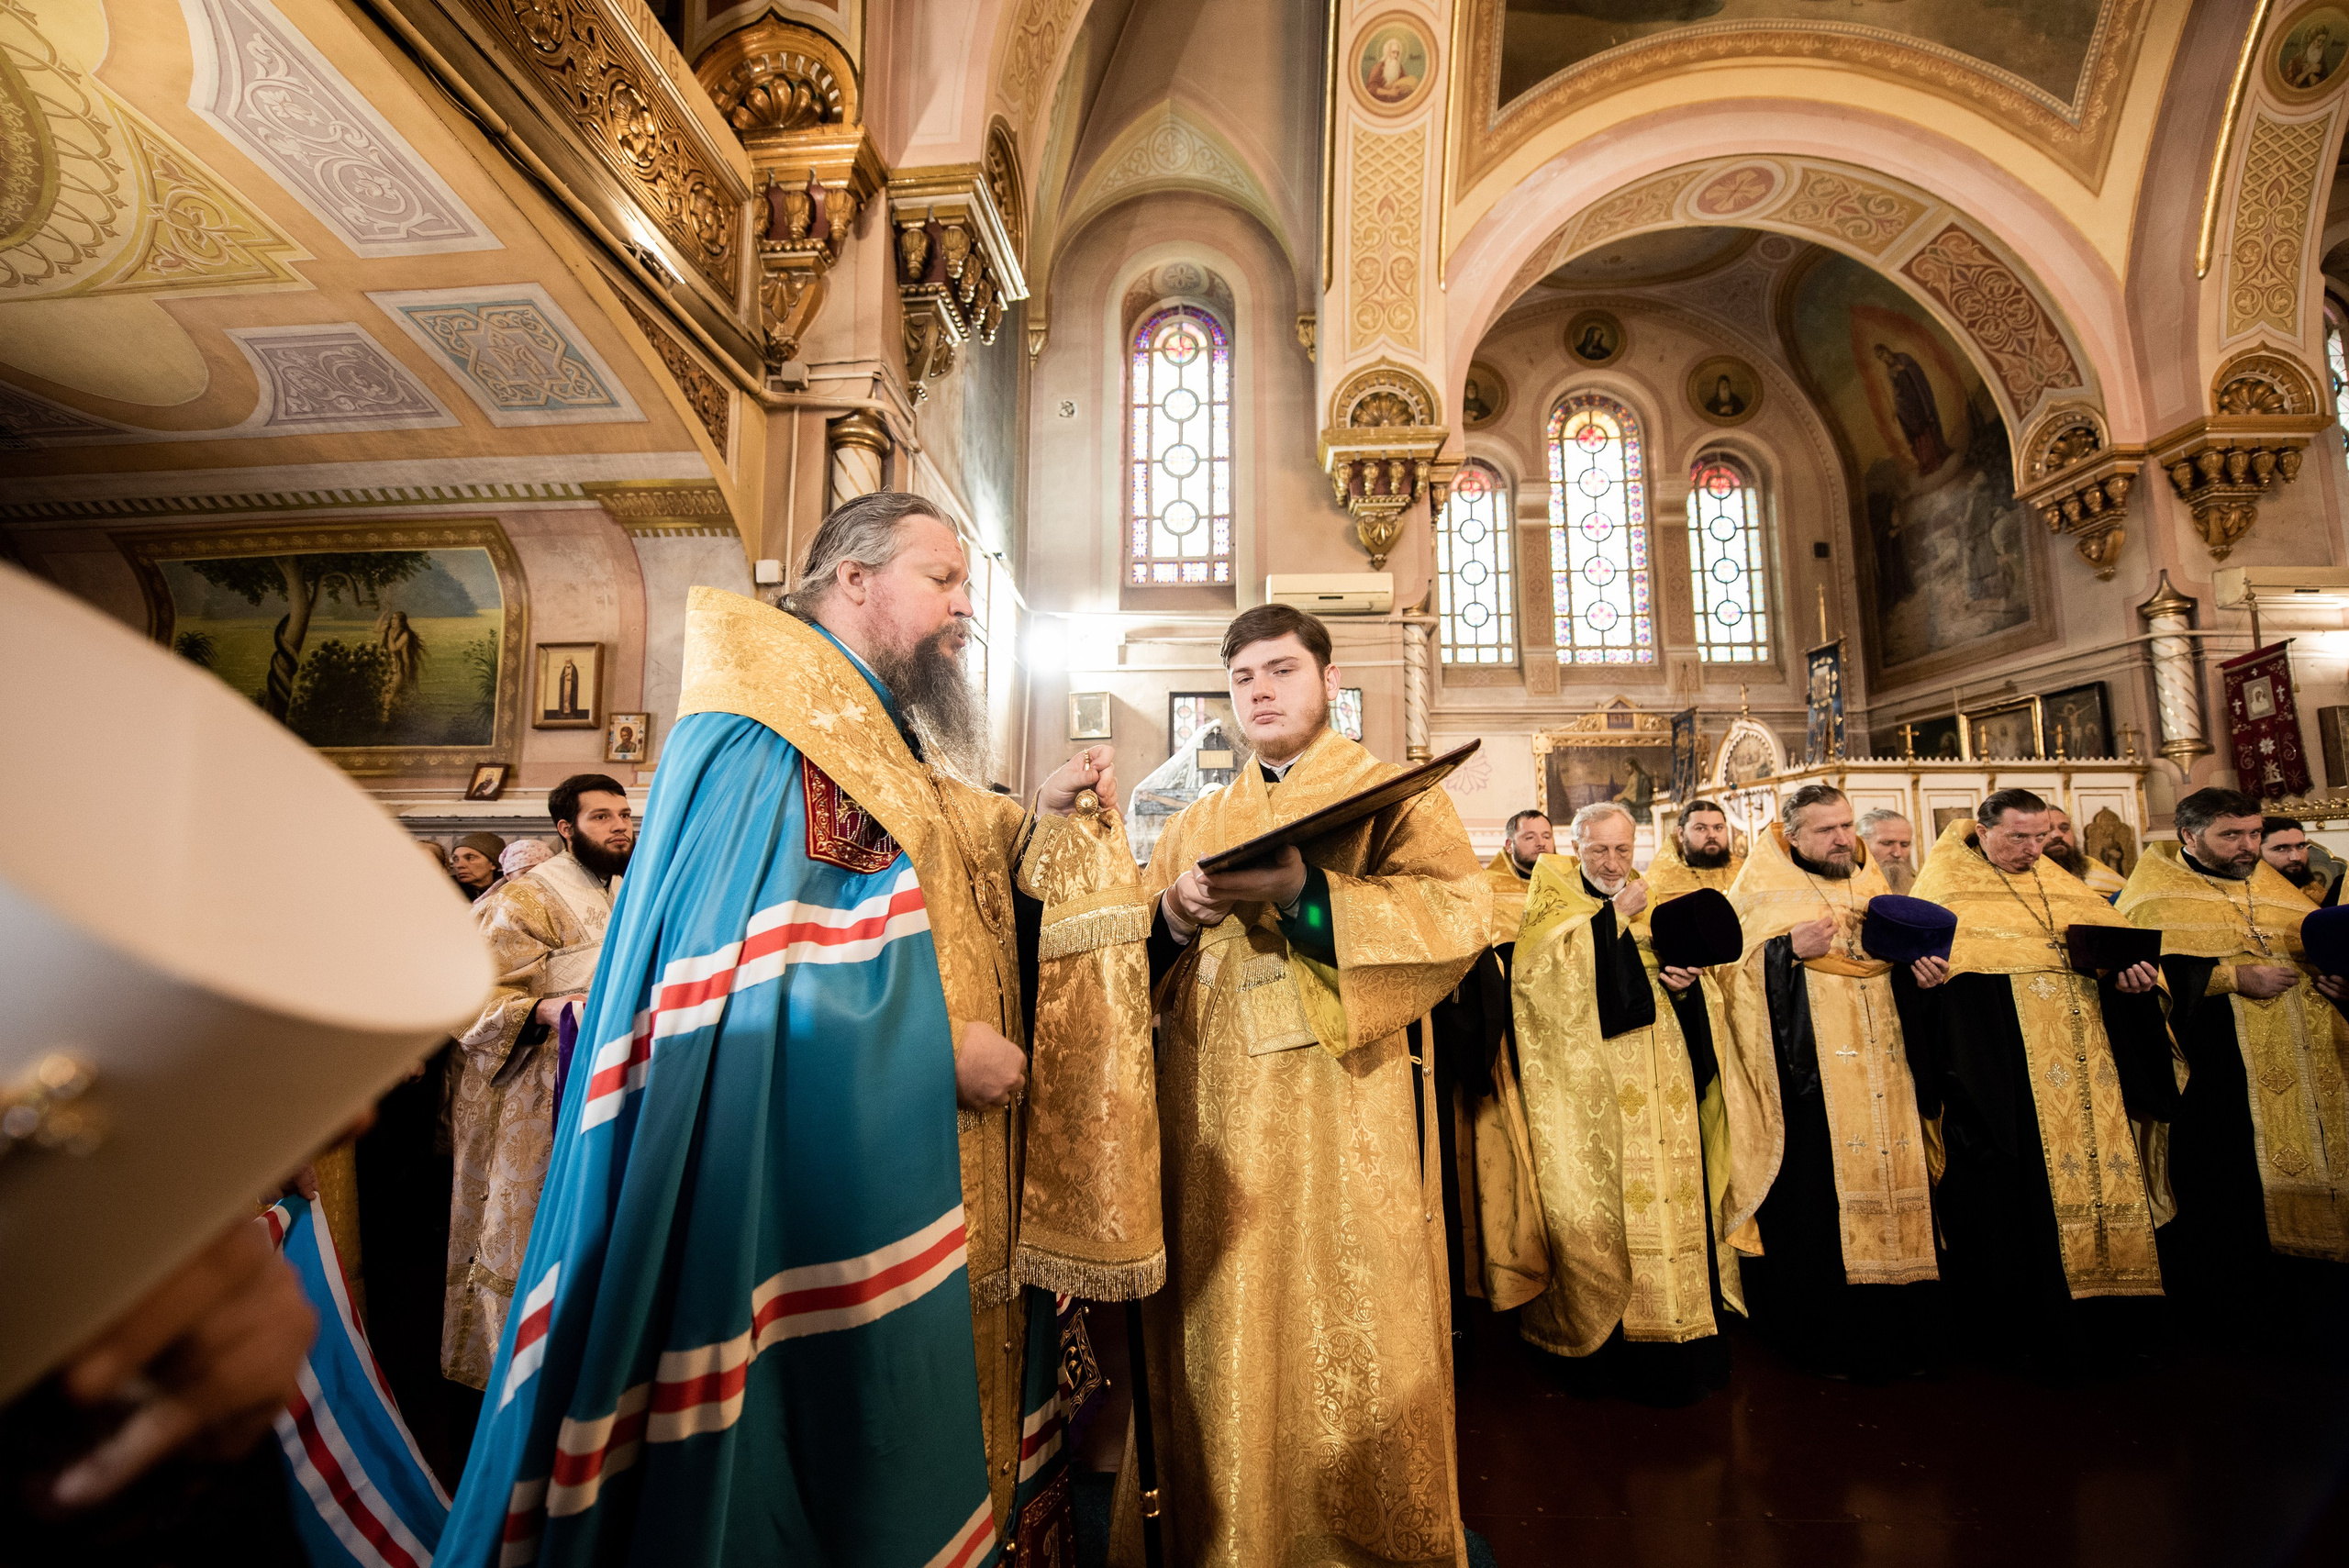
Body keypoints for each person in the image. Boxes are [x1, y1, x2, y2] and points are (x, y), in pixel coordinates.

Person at [440, 494, 1152, 1566]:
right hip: (821, 1177)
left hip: (930, 1170)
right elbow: (728, 986)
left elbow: (942, 845)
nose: (967, 607)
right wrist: (934, 1051)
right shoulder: (763, 734)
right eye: (944, 580)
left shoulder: (869, 725)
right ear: (852, 578)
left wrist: (1041, 809)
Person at [1141, 603, 1487, 1565]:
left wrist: (1304, 894)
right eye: (1243, 675)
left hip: (1345, 1105)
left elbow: (1454, 916)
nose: (1260, 689)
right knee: (1224, 1320)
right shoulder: (1200, 819)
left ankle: (1354, 1535)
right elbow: (1141, 960)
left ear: (1329, 681)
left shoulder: (1394, 795)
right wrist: (1172, 910)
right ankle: (1227, 1532)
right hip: (1212, 1113)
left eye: (1282, 670)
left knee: (1349, 1305)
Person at [1905, 791, 2175, 1366]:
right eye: (2017, 838)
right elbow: (1927, 996)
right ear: (1981, 831)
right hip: (1999, 1080)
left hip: (2090, 1072)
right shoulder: (1944, 891)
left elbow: (2121, 960)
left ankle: (2114, 1325)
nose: (2034, 849)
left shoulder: (2067, 887)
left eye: (2042, 836)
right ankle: (2025, 1334)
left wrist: (2134, 984)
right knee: (2015, 1198)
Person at [1508, 801, 1735, 1405]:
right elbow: (1538, 985)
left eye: (1621, 849)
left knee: (1676, 1199)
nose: (1612, 862)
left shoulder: (1652, 895)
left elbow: (1695, 987)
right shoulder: (1553, 900)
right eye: (1599, 850)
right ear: (1576, 847)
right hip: (1597, 1091)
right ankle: (1612, 1351)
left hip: (1670, 1084)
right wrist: (1609, 919)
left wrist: (1687, 988)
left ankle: (1684, 1342)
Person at [1719, 784, 1944, 1379]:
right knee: (1818, 1206)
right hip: (1809, 1087)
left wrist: (1922, 977)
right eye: (1827, 830)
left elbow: (1900, 971)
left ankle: (1905, 1330)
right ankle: (1826, 1337)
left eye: (1846, 825)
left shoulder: (1872, 884)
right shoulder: (1759, 888)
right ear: (1792, 835)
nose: (1844, 838)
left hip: (1888, 1075)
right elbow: (1728, 981)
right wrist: (1783, 951)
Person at [2119, 789, 2349, 1323]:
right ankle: (2242, 1309)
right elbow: (2133, 985)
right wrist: (2231, 977)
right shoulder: (2152, 900)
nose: (2248, 846)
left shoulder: (2284, 896)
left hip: (2314, 1071)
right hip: (2220, 1076)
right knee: (2231, 1186)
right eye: (2231, 836)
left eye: (2253, 833)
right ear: (2189, 836)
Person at [440, 775, 633, 1392]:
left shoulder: (628, 893)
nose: (620, 826)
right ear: (565, 828)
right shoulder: (525, 897)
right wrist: (543, 1011)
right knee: (517, 1230)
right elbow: (464, 991)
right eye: (601, 816)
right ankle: (508, 1369)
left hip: (607, 1083)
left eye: (625, 814)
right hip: (528, 1090)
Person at [1648, 797, 1742, 902]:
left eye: (1718, 828)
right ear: (1681, 834)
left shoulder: (1745, 872)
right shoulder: (1659, 880)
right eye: (1701, 828)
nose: (1712, 835)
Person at [1486, 807, 1553, 953]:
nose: (1541, 843)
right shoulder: (1487, 886)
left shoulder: (1570, 882)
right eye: (1530, 837)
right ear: (1509, 846)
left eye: (1547, 836)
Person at [2044, 805, 2125, 899]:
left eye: (2064, 828)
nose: (2058, 834)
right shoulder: (2024, 881)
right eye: (2047, 830)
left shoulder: (2095, 869)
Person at [2261, 816, 2322, 903]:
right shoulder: (2243, 898)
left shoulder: (2319, 895)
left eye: (2300, 846)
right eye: (2281, 849)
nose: (2296, 857)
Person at [1858, 809, 1917, 894]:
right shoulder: (1844, 888)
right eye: (1887, 843)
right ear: (1862, 844)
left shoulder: (1922, 887)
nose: (1897, 853)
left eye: (1904, 845)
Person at [449, 831, 506, 901]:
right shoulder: (446, 890)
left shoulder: (508, 891)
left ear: (493, 864)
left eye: (470, 858)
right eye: (456, 859)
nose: (459, 865)